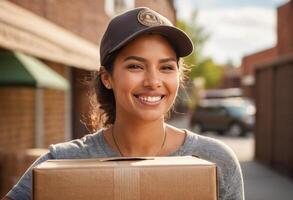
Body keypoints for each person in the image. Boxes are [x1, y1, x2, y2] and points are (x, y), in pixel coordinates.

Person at [3, 7, 244, 200]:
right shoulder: (61, 163)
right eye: (135, 66)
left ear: (179, 76)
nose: (153, 81)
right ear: (107, 77)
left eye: (166, 67)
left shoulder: (215, 160)